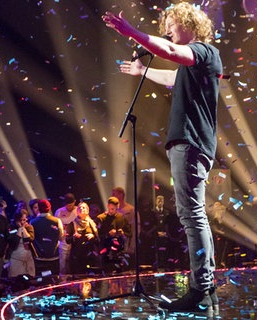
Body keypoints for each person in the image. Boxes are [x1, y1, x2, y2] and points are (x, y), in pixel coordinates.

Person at [103, 2, 222, 315]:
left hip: (191, 142)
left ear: (188, 22)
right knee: (194, 214)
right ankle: (206, 288)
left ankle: (200, 290)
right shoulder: (194, 63)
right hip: (191, 144)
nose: (167, 29)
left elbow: (171, 51)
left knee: (191, 214)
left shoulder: (204, 51)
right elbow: (172, 77)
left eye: (171, 23)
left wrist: (131, 31)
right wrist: (143, 71)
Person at [95, 197, 130, 273]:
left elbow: (129, 233)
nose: (112, 211)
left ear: (118, 207)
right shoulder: (101, 218)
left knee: (120, 272)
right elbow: (97, 236)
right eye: (111, 208)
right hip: (105, 250)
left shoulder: (122, 217)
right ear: (107, 206)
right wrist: (108, 234)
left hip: (119, 251)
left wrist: (122, 233)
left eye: (114, 209)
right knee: (107, 271)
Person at [30, 199, 63, 277]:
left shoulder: (32, 222)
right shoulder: (57, 221)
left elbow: (31, 238)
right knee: (54, 279)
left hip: (39, 257)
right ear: (49, 207)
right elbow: (61, 238)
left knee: (41, 280)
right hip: (54, 256)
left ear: (39, 208)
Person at [66, 202, 100, 275]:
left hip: (89, 257)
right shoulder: (72, 224)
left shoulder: (92, 224)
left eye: (83, 207)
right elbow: (67, 240)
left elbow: (98, 239)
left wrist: (93, 236)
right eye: (79, 208)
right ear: (77, 211)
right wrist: (74, 237)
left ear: (87, 211)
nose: (81, 208)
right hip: (77, 257)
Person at [7, 209, 35, 278]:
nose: (22, 222)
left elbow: (29, 239)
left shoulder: (29, 227)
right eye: (20, 220)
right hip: (16, 258)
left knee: (30, 279)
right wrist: (19, 229)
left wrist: (23, 229)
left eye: (24, 220)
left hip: (28, 258)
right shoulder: (11, 228)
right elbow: (14, 242)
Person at [55, 193, 77, 275]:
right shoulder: (59, 212)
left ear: (75, 202)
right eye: (68, 205)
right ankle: (63, 280)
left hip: (74, 241)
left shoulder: (78, 210)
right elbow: (55, 226)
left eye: (71, 205)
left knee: (72, 262)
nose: (69, 207)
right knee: (63, 262)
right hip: (63, 241)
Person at [111, 187, 137, 258]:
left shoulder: (131, 210)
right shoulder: (112, 211)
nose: (112, 197)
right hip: (114, 244)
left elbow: (135, 229)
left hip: (126, 243)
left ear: (121, 195)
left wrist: (132, 246)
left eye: (114, 194)